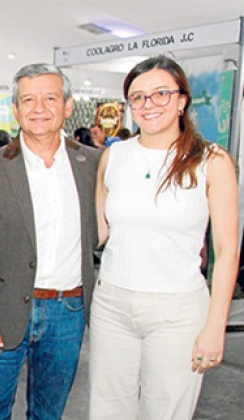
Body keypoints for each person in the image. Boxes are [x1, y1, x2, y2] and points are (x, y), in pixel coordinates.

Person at [90, 55, 239, 420]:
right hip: (112, 303)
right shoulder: (115, 156)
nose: (148, 104)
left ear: (182, 100)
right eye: (138, 97)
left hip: (178, 310)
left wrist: (215, 325)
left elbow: (226, 249)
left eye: (160, 94)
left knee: (166, 411)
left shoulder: (212, 160)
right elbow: (103, 232)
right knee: (107, 409)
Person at [0, 63, 101, 420]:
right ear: (16, 109)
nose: (39, 108)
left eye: (50, 98)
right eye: (28, 99)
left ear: (68, 106)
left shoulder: (94, 166)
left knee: (48, 413)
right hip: (1, 313)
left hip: (67, 312)